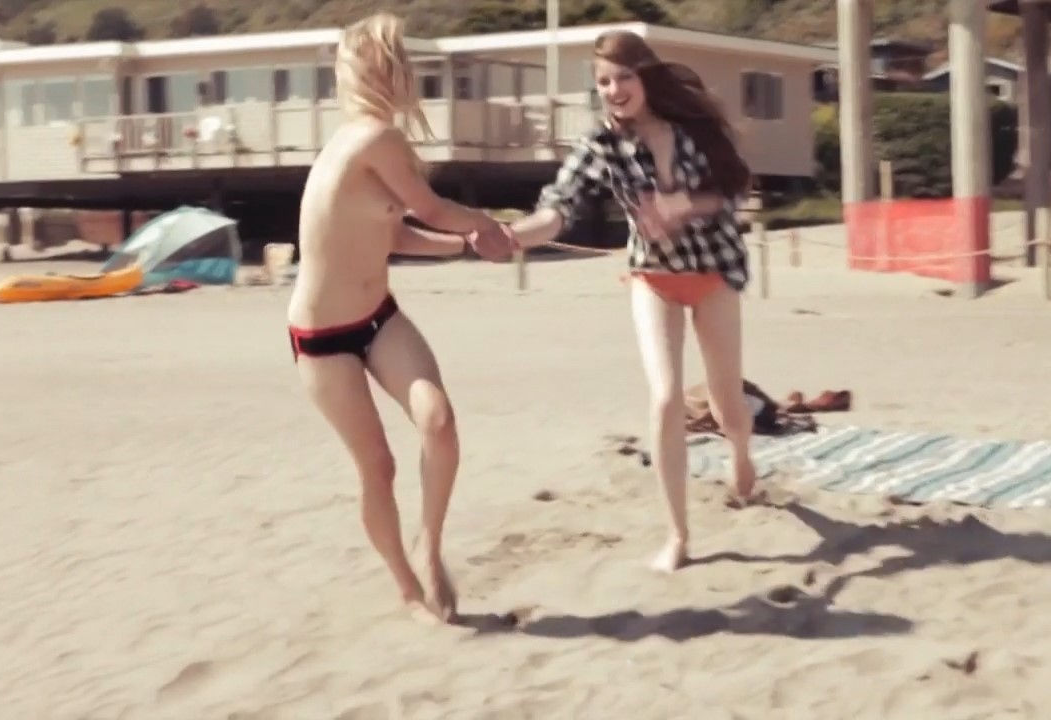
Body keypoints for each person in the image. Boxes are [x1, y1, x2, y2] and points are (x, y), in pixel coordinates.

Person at [492, 30, 758, 573]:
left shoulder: (693, 128)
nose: (614, 90)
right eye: (603, 82)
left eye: (624, 77)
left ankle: (741, 452)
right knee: (666, 398)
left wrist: (684, 205)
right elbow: (559, 208)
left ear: (645, 76)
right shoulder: (600, 145)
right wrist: (514, 237)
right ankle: (678, 535)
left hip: (714, 271)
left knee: (727, 403)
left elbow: (733, 191)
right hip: (652, 276)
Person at [287, 12, 514, 623]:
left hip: (378, 318)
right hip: (322, 337)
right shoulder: (368, 139)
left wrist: (466, 246)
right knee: (378, 467)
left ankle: (429, 548)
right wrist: (485, 226)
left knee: (437, 420)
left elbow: (395, 236)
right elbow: (431, 209)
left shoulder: (378, 142)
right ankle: (408, 589)